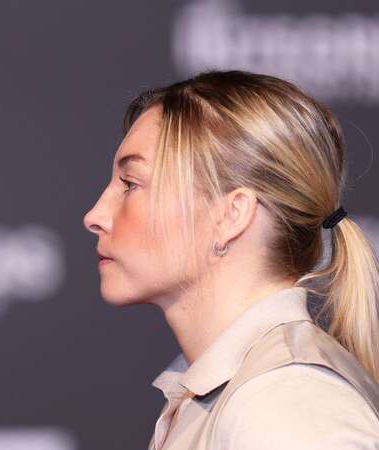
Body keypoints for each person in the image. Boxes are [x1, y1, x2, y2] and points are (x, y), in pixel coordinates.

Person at [83, 70, 379, 449]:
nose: (95, 215)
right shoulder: (241, 391)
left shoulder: (284, 402)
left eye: (131, 184)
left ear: (230, 215)